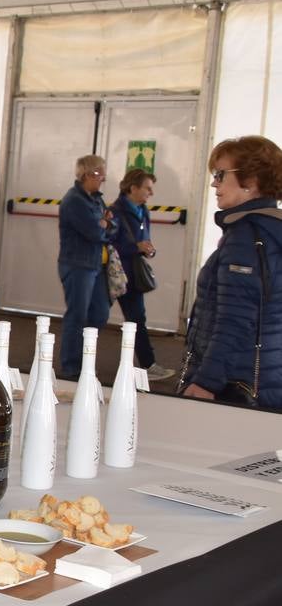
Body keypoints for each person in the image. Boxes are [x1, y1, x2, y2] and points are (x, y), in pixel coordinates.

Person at [180, 136, 282, 409]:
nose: (214, 183)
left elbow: (235, 320)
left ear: (251, 182)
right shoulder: (271, 231)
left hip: (235, 384)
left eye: (221, 174)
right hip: (268, 379)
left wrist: (206, 382)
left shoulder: (246, 238)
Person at [57, 154, 119, 378]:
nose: (102, 178)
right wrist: (104, 224)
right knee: (78, 315)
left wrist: (106, 223)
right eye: (98, 173)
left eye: (103, 173)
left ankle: (85, 359)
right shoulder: (74, 200)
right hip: (77, 265)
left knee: (100, 313)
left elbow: (113, 227)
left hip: (96, 266)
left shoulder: (96, 199)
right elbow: (94, 232)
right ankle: (71, 366)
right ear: (85, 174)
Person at [111, 169, 176, 382]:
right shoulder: (115, 212)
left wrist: (149, 249)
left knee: (137, 319)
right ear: (133, 188)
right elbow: (108, 244)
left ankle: (147, 364)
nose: (151, 193)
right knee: (96, 317)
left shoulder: (143, 211)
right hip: (115, 274)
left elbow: (144, 241)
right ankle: (147, 365)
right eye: (147, 188)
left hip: (133, 275)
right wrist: (135, 247)